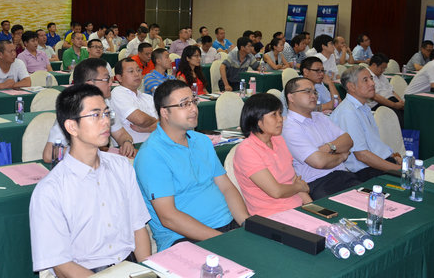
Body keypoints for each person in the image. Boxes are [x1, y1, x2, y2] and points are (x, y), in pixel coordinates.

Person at [29, 84, 151, 275]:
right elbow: (61, 265)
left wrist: (146, 272)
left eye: (106, 113)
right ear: (72, 127)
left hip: (129, 267)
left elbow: (139, 229)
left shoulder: (121, 167)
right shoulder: (50, 190)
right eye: (95, 115)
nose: (105, 122)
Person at [134, 80, 249, 251]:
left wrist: (246, 224)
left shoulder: (201, 141)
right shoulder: (151, 154)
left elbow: (226, 188)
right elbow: (169, 217)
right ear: (164, 112)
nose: (193, 109)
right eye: (184, 104)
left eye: (193, 101)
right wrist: (222, 240)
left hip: (226, 226)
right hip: (183, 239)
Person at [42, 58, 137, 162]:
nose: (111, 83)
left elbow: (121, 134)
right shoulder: (72, 109)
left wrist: (127, 142)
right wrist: (87, 152)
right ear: (90, 84)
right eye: (106, 79)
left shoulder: (105, 103)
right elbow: (49, 153)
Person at [233, 93, 312, 217]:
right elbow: (276, 191)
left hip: (296, 207)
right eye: (274, 115)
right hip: (272, 215)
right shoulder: (246, 150)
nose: (280, 119)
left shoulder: (278, 140)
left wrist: (312, 207)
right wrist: (299, 187)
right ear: (258, 120)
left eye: (280, 113)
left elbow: (293, 179)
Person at [282, 77, 360, 200]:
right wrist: (342, 156)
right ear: (291, 97)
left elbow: (348, 140)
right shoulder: (289, 127)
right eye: (307, 91)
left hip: (344, 175)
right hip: (319, 183)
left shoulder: (320, 117)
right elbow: (319, 162)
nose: (313, 95)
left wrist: (328, 148)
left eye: (315, 92)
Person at [330, 67, 403, 182]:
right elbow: (362, 155)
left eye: (371, 78)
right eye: (365, 80)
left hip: (377, 163)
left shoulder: (363, 107)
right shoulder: (347, 112)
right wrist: (398, 169)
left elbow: (373, 143)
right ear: (351, 87)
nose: (372, 83)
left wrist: (393, 157)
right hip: (365, 170)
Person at [110, 58, 158, 143]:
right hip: (133, 146)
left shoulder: (147, 97)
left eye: (138, 70)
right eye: (131, 71)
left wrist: (147, 128)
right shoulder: (118, 92)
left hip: (156, 144)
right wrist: (156, 121)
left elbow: (166, 124)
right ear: (119, 78)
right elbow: (140, 120)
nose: (137, 74)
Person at [366, 53, 405, 125]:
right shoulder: (366, 76)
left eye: (384, 68)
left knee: (406, 112)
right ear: (374, 65)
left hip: (390, 101)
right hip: (378, 104)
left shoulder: (382, 76)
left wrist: (400, 102)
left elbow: (391, 91)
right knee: (398, 118)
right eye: (382, 68)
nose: (383, 70)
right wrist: (395, 105)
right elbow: (375, 97)